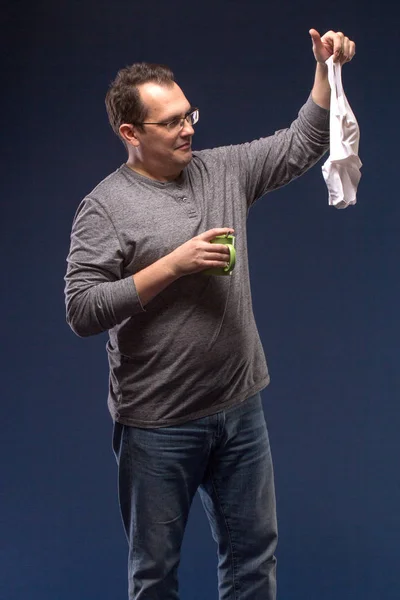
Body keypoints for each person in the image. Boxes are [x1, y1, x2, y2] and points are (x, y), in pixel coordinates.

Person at [65, 28, 356, 600]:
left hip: (240, 409)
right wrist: (172, 265)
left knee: (253, 561)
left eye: (188, 113)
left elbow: (303, 142)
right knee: (154, 576)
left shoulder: (222, 171)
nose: (188, 127)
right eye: (171, 121)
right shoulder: (104, 208)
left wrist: (324, 69)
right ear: (130, 133)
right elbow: (82, 308)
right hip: (157, 423)